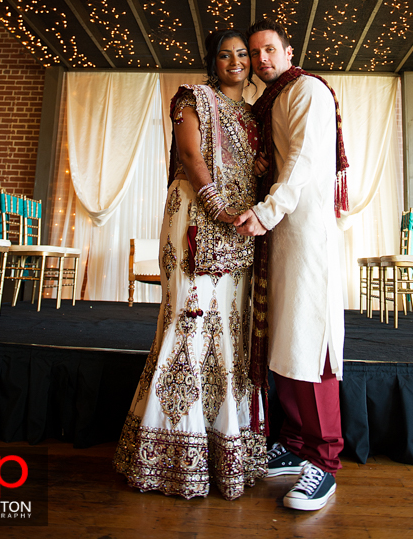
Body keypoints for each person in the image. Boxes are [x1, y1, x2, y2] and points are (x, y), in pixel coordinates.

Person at [114, 28, 267, 500]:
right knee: (189, 320)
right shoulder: (193, 98)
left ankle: (223, 446)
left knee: (229, 328)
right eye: (226, 55)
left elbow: (254, 167)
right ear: (212, 62)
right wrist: (215, 204)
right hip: (195, 221)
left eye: (243, 55)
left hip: (238, 230)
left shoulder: (251, 115)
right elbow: (190, 154)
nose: (236, 61)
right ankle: (170, 449)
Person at [234, 18, 348, 512]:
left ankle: (324, 462)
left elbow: (302, 161)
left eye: (268, 50)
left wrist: (265, 210)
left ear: (288, 51)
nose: (260, 59)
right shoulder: (273, 99)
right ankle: (296, 445)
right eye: (254, 53)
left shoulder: (306, 91)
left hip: (305, 236)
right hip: (281, 235)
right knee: (286, 341)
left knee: (312, 344)